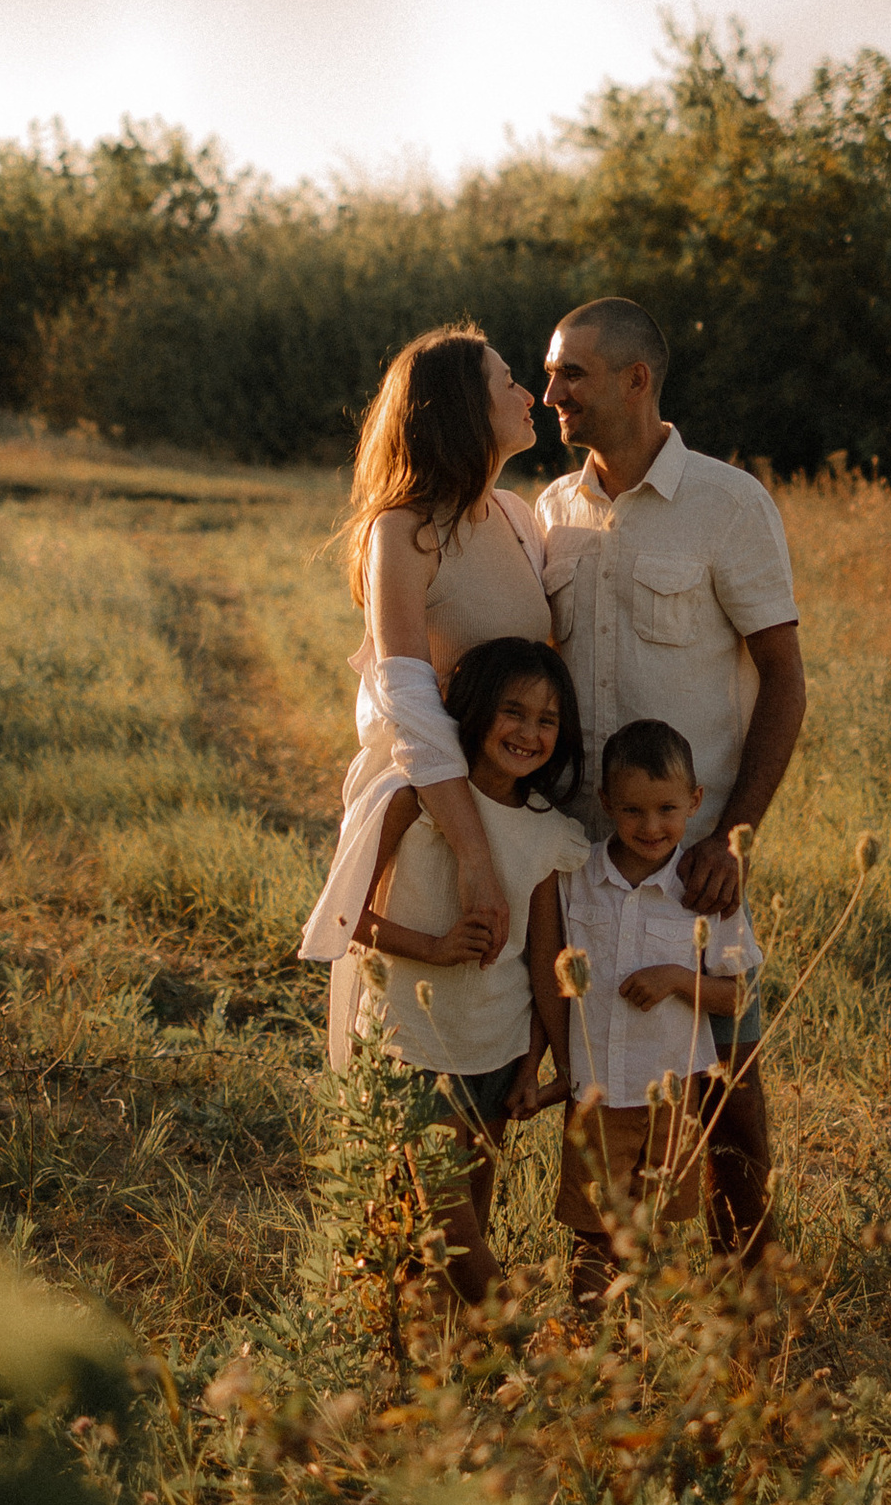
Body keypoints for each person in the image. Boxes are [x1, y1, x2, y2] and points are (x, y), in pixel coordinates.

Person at [538, 295, 804, 1261]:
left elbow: (783, 676)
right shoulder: (553, 511)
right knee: (598, 1064)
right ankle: (601, 1278)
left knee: (725, 1076)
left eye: (572, 374)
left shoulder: (729, 506)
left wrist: (735, 838)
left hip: (693, 853)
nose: (550, 392)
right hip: (585, 852)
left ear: (636, 381)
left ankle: (750, 1281)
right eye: (551, 373)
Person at [299, 326, 553, 1066]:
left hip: (507, 801)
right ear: (464, 410)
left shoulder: (515, 515)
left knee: (490, 1040)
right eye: (508, 381)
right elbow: (405, 693)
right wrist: (472, 852)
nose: (527, 393)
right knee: (415, 1054)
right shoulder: (403, 531)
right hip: (431, 815)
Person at [337, 634, 585, 1302]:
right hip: (413, 1046)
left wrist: (544, 1063)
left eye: (547, 719)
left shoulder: (548, 831)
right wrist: (434, 947)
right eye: (514, 711)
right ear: (473, 707)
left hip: (497, 1052)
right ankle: (532, 1353)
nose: (529, 732)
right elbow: (344, 918)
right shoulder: (415, 802)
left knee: (456, 1222)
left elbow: (543, 964)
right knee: (453, 1235)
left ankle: (444, 1372)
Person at [524, 717, 751, 1308]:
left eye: (667, 810)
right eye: (632, 812)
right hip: (599, 1089)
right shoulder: (578, 880)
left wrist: (678, 978)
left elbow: (739, 996)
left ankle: (637, 1339)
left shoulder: (706, 888)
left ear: (696, 802)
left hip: (672, 1091)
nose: (651, 827)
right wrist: (547, 1067)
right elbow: (545, 977)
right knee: (594, 1230)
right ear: (606, 804)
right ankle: (590, 1338)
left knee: (652, 1229)